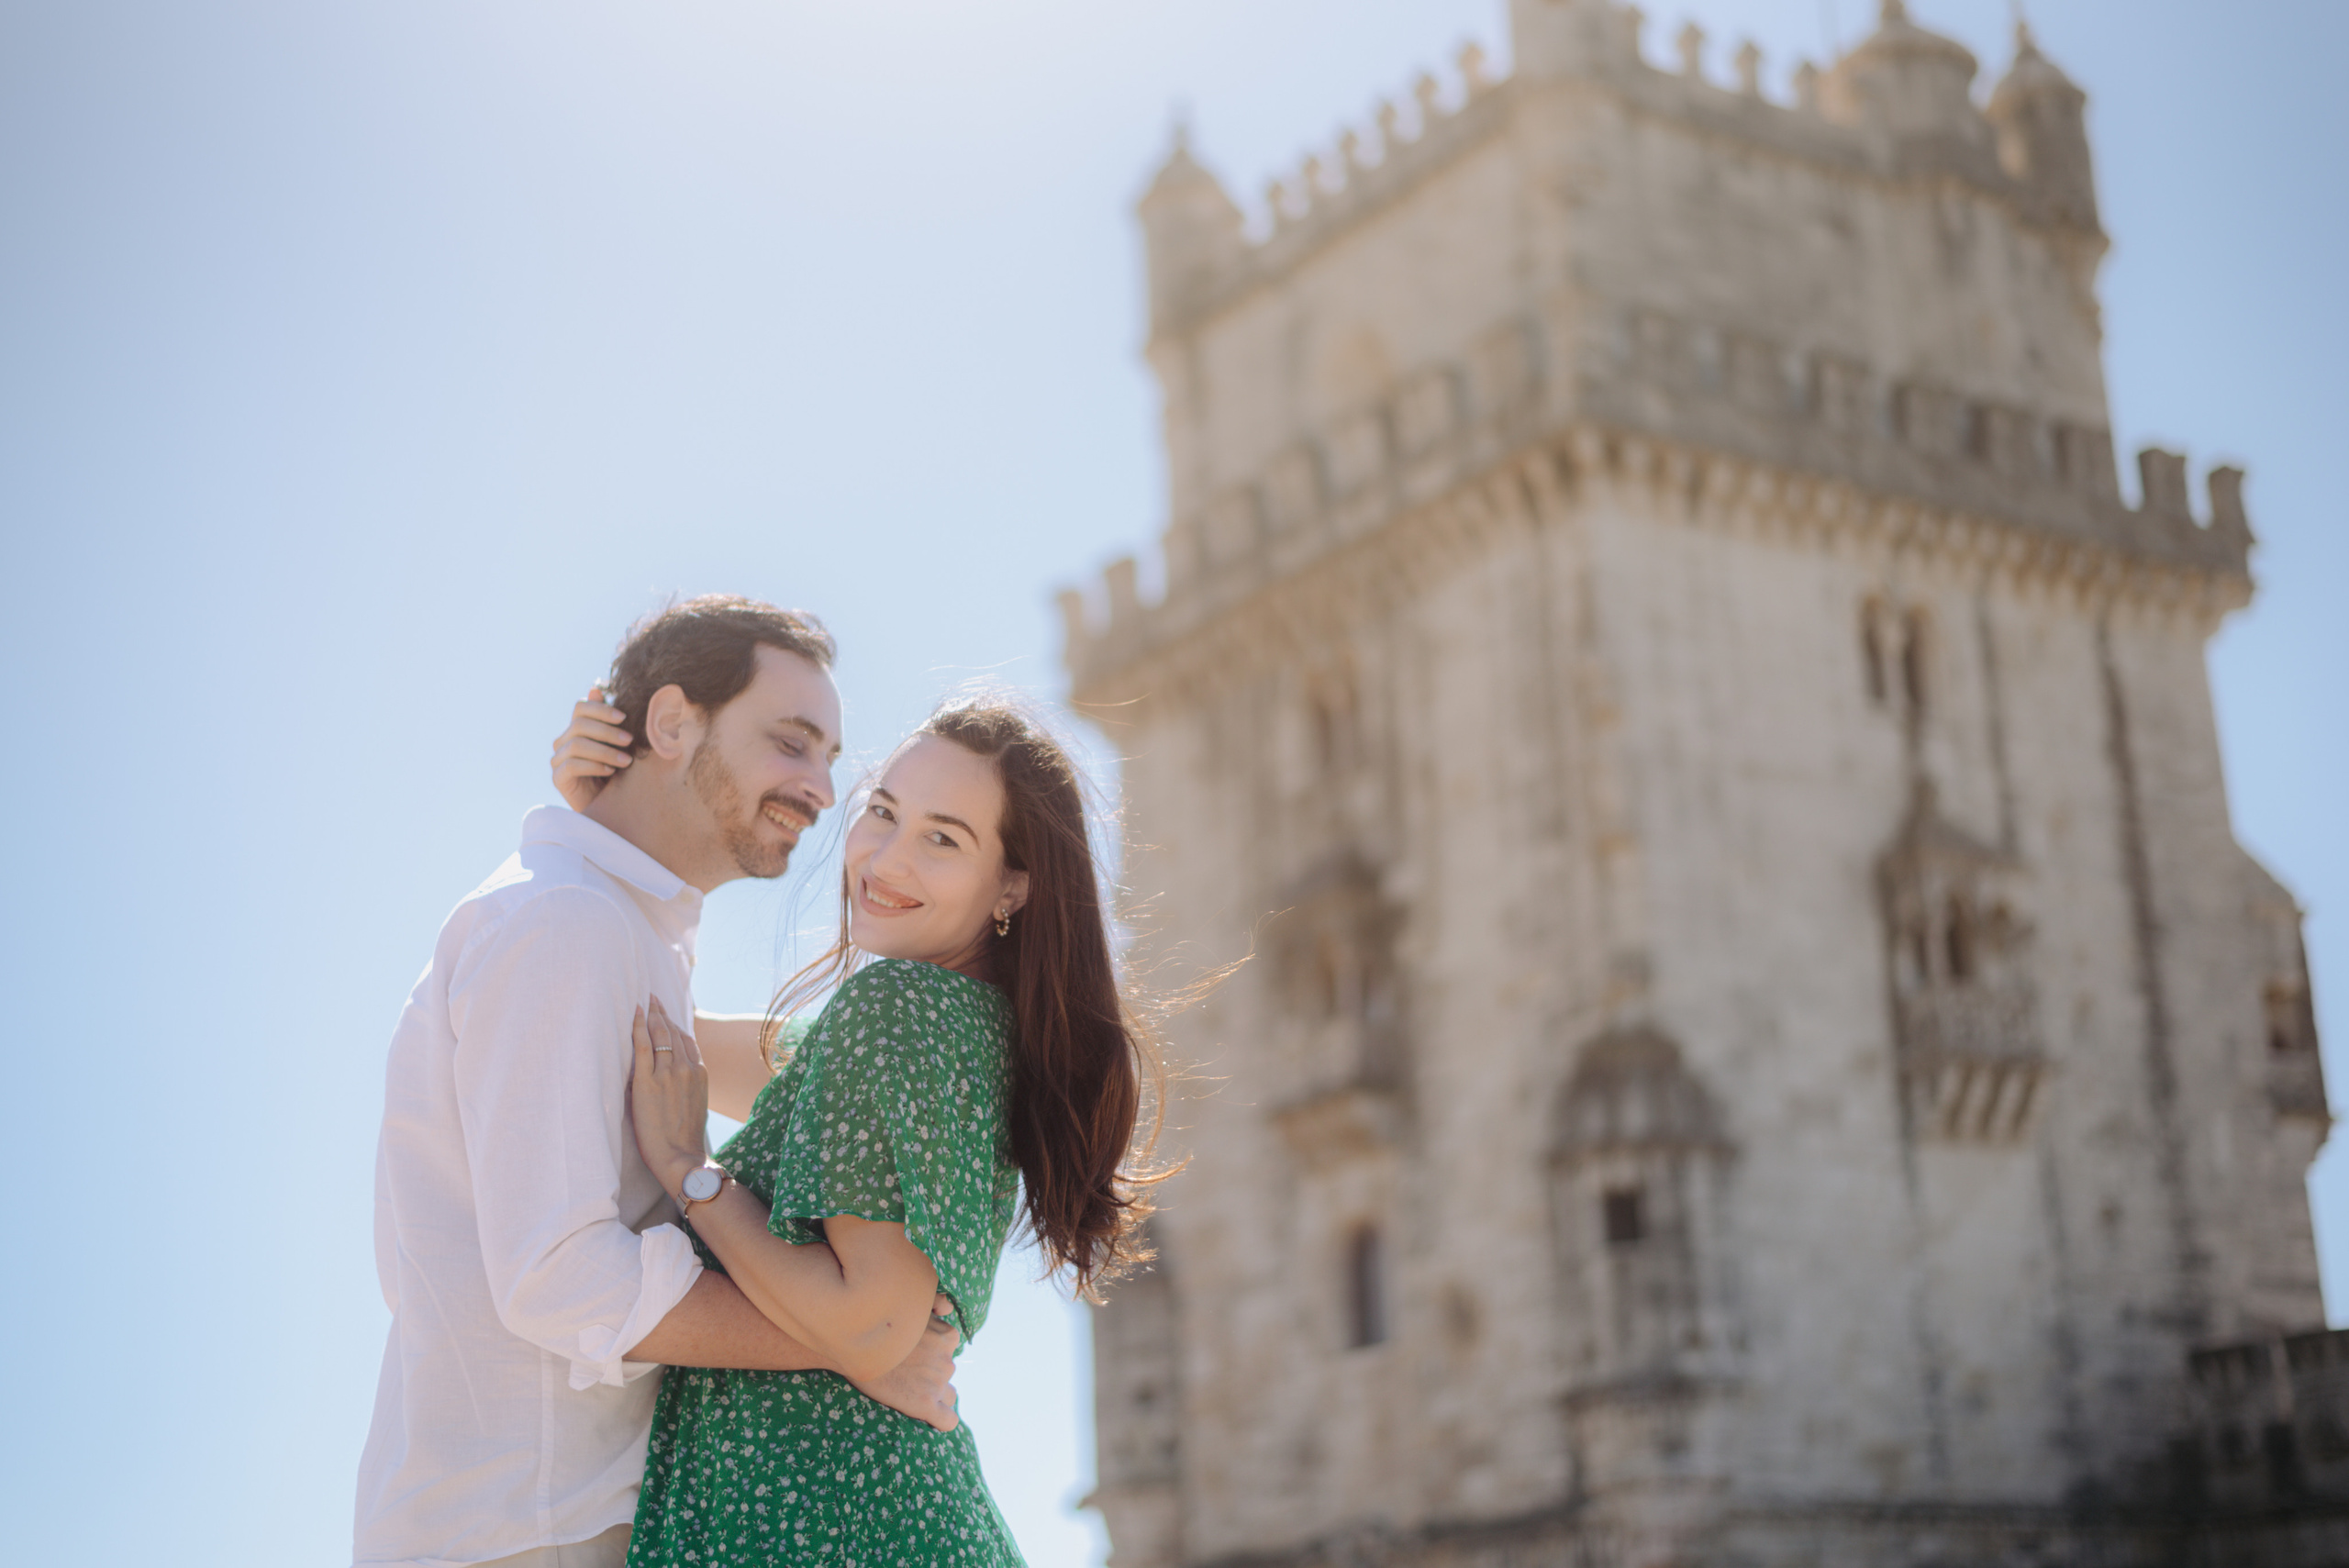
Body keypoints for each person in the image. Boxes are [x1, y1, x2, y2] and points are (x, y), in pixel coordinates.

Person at [355, 597, 961, 1568]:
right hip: (533, 1530)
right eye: (791, 743)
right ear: (673, 723)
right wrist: (851, 1340)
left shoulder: (608, 924)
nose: (819, 789)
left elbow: (804, 1065)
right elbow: (560, 1276)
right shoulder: (565, 923)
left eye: (830, 761)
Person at [550, 692, 1165, 1566]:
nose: (886, 856)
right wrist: (602, 834)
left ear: (1012, 886)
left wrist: (694, 1173)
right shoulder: (949, 1027)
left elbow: (873, 1326)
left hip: (839, 1520)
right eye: (882, 810)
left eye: (942, 838)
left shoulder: (900, 1012)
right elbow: (656, 1031)